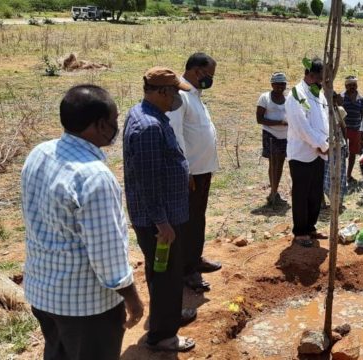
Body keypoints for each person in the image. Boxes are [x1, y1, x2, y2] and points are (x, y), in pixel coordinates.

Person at [21, 85, 144, 360]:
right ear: (100, 125)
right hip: (86, 307)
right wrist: (133, 299)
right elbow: (107, 257)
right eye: (114, 121)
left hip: (42, 293)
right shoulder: (94, 177)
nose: (116, 126)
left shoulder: (39, 153)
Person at [123, 67, 196, 352]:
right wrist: (162, 223)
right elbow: (149, 181)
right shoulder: (149, 127)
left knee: (166, 271)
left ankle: (168, 316)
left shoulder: (147, 115)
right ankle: (163, 335)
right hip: (160, 221)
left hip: (163, 215)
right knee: (165, 275)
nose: (177, 97)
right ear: (162, 92)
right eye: (175, 91)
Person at [167, 52, 221, 294]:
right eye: (209, 75)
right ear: (197, 71)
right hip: (191, 172)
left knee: (198, 217)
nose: (211, 80)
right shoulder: (180, 96)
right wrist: (185, 168)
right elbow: (175, 133)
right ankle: (186, 270)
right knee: (187, 221)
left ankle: (195, 258)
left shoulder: (195, 94)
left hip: (203, 169)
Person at [285, 57, 329, 247]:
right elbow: (301, 126)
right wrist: (319, 143)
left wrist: (325, 143)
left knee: (315, 192)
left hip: (319, 152)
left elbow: (323, 119)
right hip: (302, 153)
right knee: (301, 193)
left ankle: (311, 227)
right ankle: (300, 231)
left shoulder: (318, 93)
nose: (322, 82)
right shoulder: (296, 94)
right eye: (319, 78)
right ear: (310, 75)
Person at [257, 72, 290, 207]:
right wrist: (279, 123)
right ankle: (273, 192)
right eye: (277, 84)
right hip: (271, 134)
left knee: (280, 164)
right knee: (273, 163)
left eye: (282, 84)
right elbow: (259, 119)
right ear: (272, 84)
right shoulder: (265, 98)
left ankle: (274, 192)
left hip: (284, 136)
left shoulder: (288, 100)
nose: (280, 87)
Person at [323, 92, 349, 209]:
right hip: (326, 148)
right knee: (326, 176)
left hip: (340, 147)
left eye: (333, 99)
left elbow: (344, 129)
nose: (331, 101)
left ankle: (338, 201)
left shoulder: (340, 111)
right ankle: (326, 200)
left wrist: (346, 146)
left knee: (340, 175)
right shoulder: (321, 112)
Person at [342, 76, 363, 183]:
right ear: (345, 86)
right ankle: (341, 175)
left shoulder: (361, 99)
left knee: (352, 153)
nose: (352, 87)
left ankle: (348, 175)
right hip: (343, 130)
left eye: (354, 85)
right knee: (342, 152)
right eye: (349, 85)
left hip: (356, 129)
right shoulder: (341, 97)